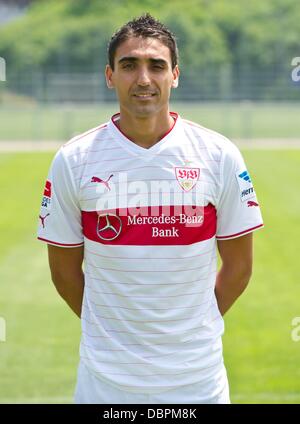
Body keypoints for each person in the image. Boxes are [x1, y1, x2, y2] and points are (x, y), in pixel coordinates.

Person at [37, 13, 263, 404]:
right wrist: (108, 332)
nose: (143, 78)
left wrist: (195, 326)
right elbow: (64, 272)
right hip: (104, 387)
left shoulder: (218, 154)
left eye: (156, 65)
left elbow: (240, 267)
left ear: (175, 74)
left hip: (198, 384)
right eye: (129, 65)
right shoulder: (74, 160)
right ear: (110, 75)